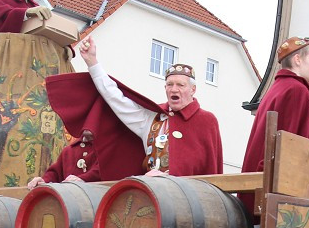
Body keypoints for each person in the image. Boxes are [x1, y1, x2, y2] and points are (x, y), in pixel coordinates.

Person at [77, 37, 223, 177]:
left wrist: (170, 177)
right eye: (170, 84)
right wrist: (92, 63)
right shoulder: (152, 116)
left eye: (180, 85)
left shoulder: (206, 120)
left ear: (193, 90)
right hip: (150, 191)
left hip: (188, 198)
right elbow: (116, 98)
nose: (174, 89)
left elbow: (210, 168)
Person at [239, 36, 309, 215]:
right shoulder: (296, 90)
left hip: (258, 189)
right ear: (297, 60)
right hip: (277, 194)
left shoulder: (276, 88)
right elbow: (290, 146)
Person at [27, 130, 99, 188]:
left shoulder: (106, 148)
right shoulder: (68, 151)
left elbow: (102, 170)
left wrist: (84, 179)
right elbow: (55, 173)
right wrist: (44, 181)